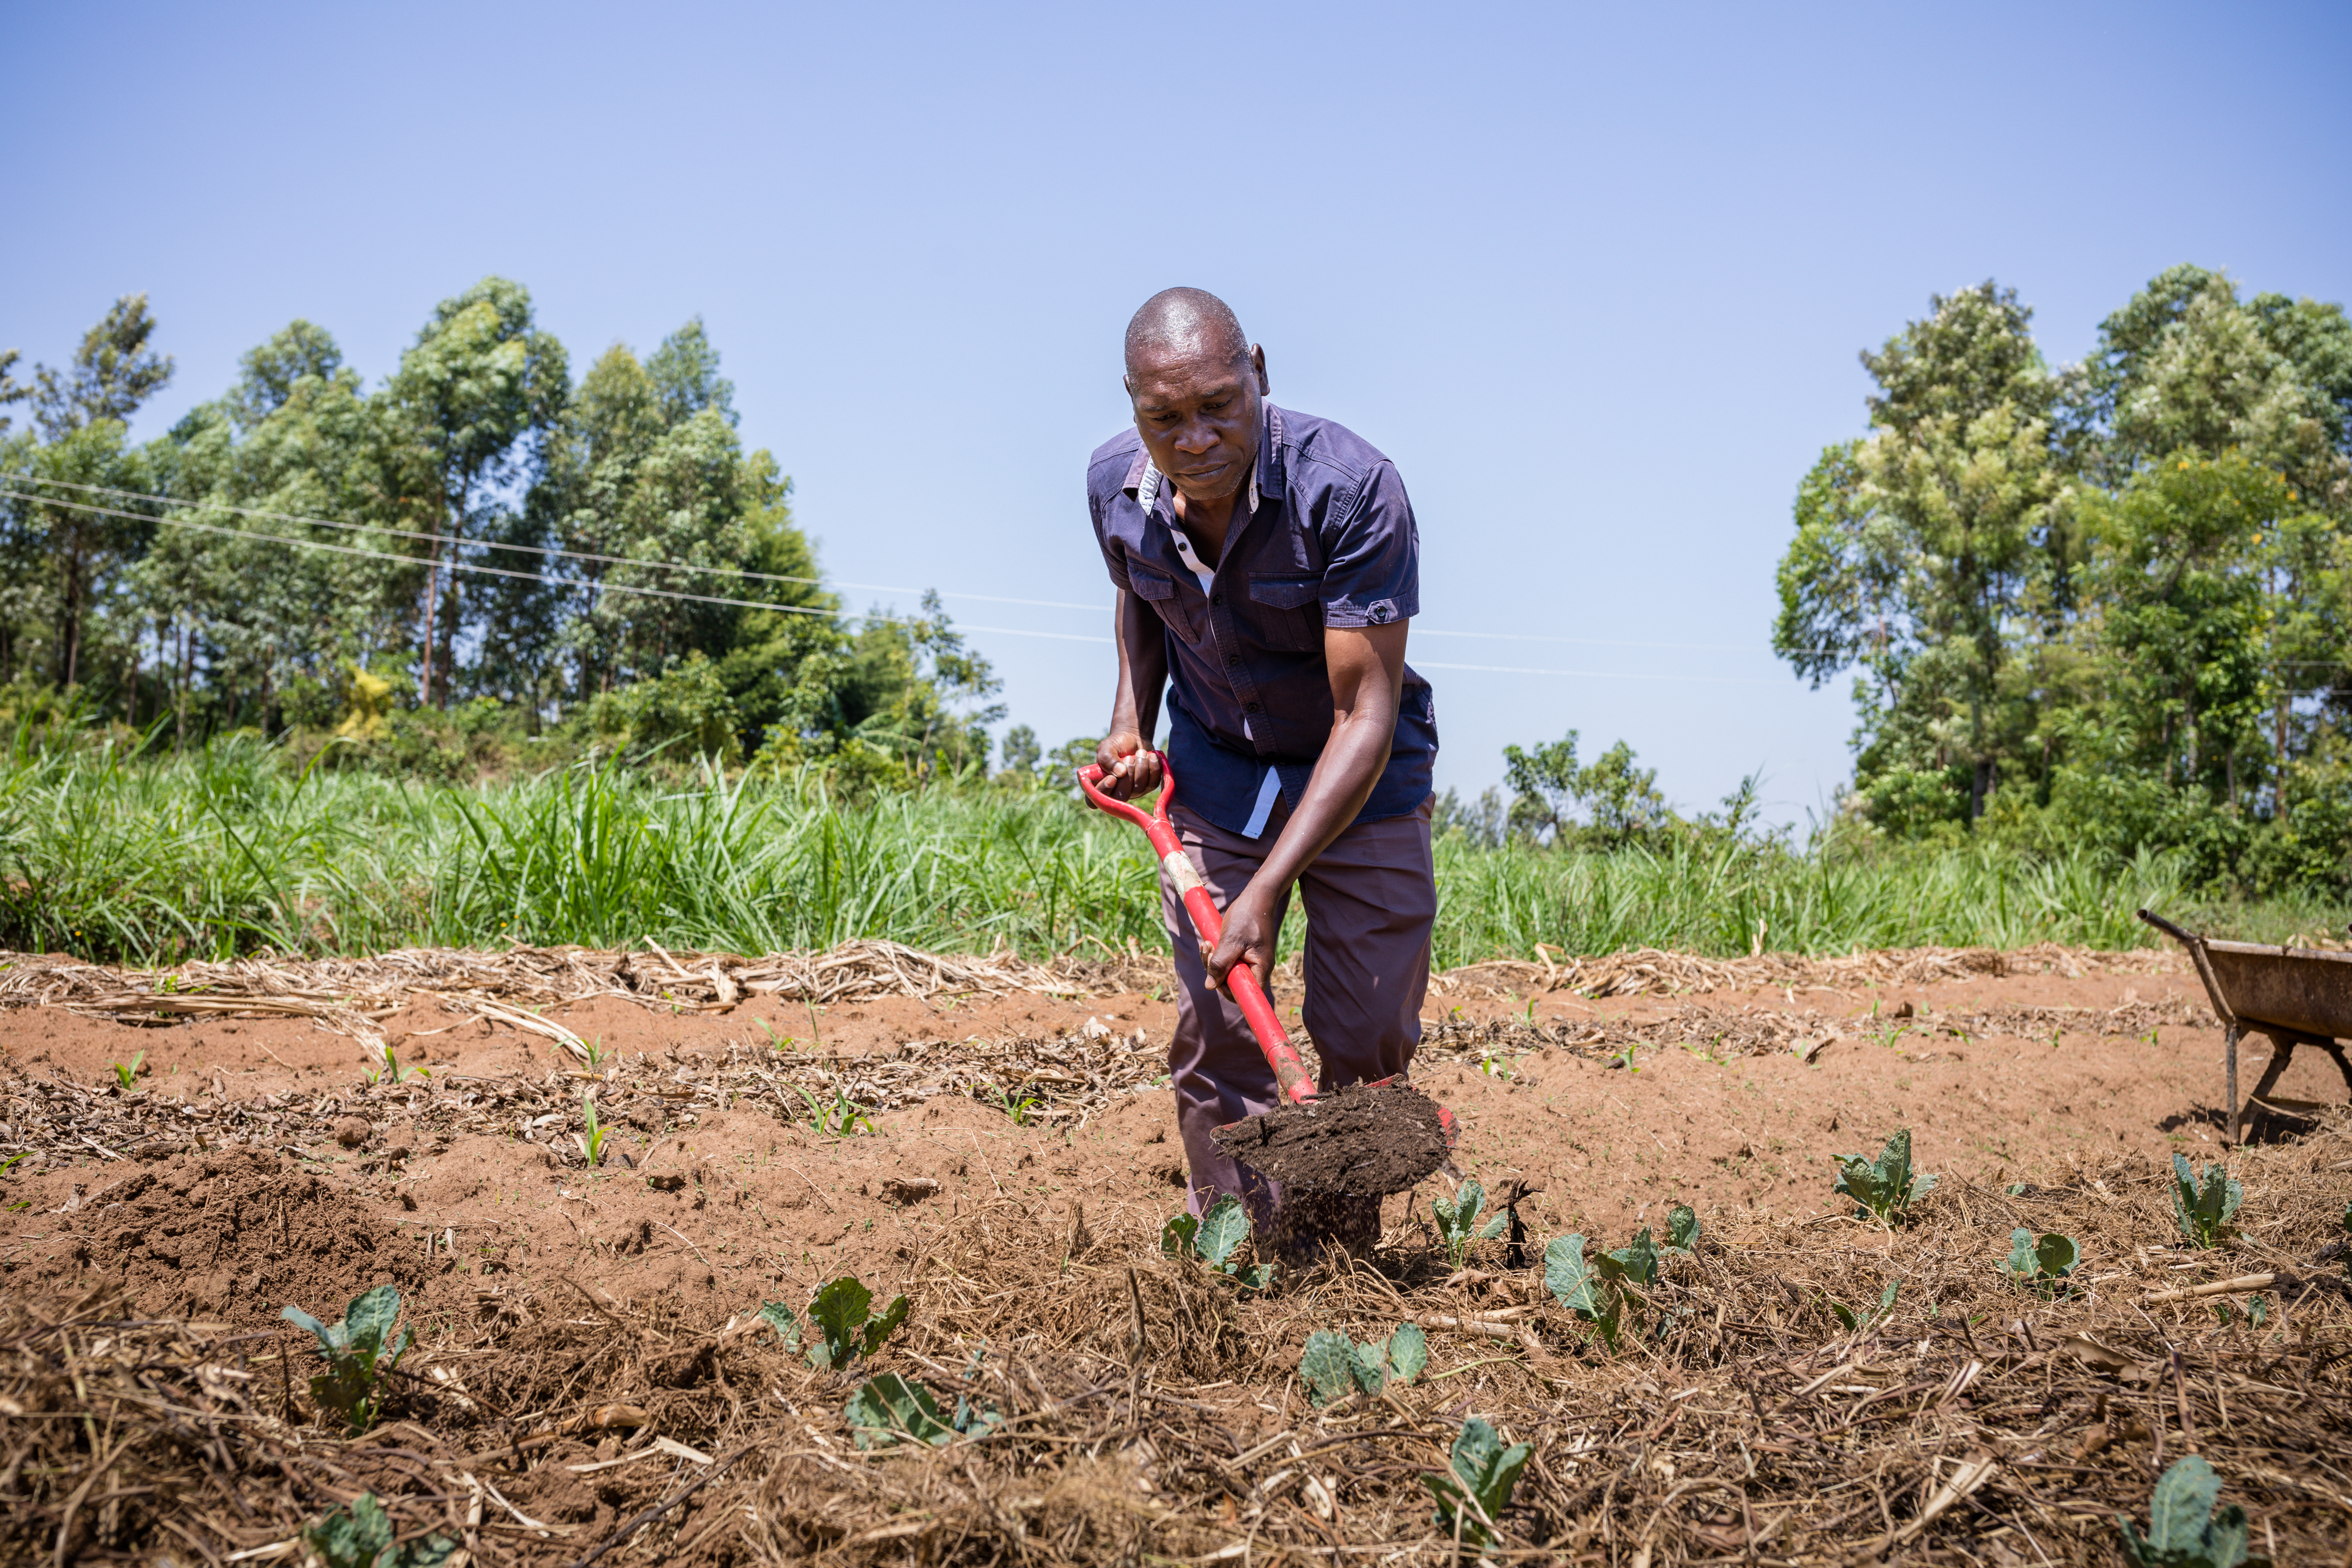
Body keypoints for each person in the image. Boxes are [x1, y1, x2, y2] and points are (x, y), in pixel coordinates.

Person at [1087, 286, 1440, 1244]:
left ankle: (1337, 1246)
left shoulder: (1353, 490)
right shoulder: (1114, 487)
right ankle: (1247, 1253)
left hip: (1359, 779)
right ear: (1134, 410)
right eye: (1164, 418)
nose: (1194, 438)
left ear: (1260, 376)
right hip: (1218, 772)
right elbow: (1139, 598)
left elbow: (1363, 711)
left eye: (1217, 406)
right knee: (1219, 1028)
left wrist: (1271, 887)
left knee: (1367, 1031)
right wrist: (1132, 720)